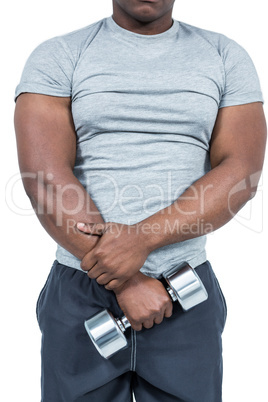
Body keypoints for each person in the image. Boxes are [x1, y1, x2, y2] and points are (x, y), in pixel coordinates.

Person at [14, 0, 266, 401]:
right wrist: (126, 279)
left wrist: (140, 241)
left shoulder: (224, 55)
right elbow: (45, 179)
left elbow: (242, 173)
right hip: (81, 286)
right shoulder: (60, 54)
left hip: (184, 285)